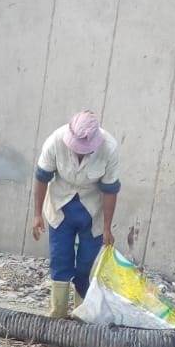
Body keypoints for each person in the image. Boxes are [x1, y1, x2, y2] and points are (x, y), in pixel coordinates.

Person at [32, 111, 120, 319]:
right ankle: (58, 311)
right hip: (60, 205)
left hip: (92, 210)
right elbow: (42, 177)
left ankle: (82, 313)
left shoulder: (109, 148)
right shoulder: (55, 141)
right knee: (60, 257)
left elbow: (110, 191)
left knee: (87, 263)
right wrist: (37, 215)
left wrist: (107, 228)